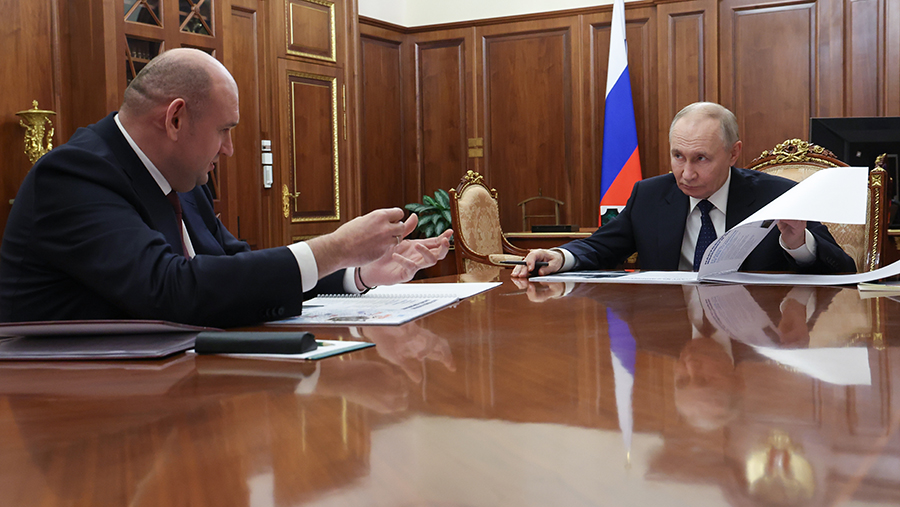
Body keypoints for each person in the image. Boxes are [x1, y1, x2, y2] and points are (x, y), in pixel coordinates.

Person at [0, 48, 452, 328]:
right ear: (175, 119)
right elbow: (170, 290)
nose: (230, 149)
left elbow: (233, 271)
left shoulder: (184, 179)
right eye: (224, 130)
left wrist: (358, 271)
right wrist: (334, 247)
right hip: (76, 411)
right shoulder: (75, 175)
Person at [512, 102, 855, 278]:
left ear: (733, 153)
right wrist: (560, 256)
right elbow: (600, 246)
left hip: (751, 339)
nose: (686, 174)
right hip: (672, 330)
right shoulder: (649, 195)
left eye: (701, 158)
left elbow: (843, 270)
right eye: (678, 156)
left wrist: (798, 244)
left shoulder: (778, 195)